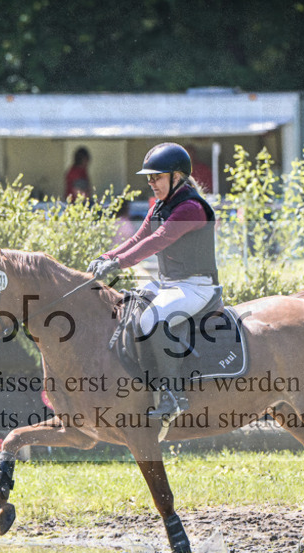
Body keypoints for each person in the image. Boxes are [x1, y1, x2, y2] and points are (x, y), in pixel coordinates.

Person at [87, 142, 219, 425]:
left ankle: (173, 395)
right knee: (129, 304)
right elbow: (138, 238)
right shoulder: (162, 205)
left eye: (156, 177)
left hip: (197, 286)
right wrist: (106, 256)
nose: (151, 182)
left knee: (152, 319)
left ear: (177, 177)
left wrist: (119, 264)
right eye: (149, 177)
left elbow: (158, 240)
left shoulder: (191, 208)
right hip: (170, 284)